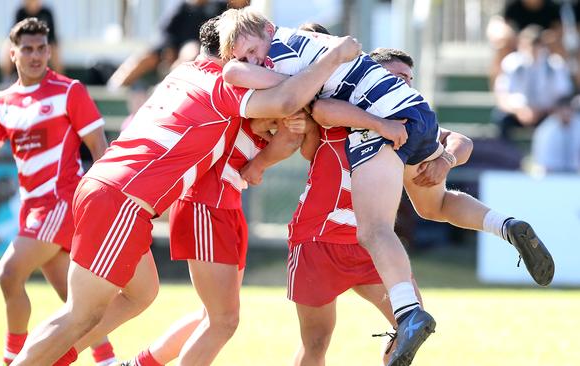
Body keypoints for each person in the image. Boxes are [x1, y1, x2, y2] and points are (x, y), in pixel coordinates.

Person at [7, 16, 362, 365]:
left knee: (141, 293)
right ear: (230, 53)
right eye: (248, 54)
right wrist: (333, 58)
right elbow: (284, 104)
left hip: (109, 188)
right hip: (124, 199)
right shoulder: (226, 85)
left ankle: (59, 358)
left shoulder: (182, 73)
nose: (255, 61)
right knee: (80, 315)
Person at [217, 8, 555, 365]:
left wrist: (444, 160)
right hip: (320, 237)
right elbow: (303, 134)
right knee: (318, 339)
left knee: (406, 310)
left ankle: (489, 241)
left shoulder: (377, 109)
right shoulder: (333, 99)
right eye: (395, 77)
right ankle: (505, 225)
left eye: (407, 79)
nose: (403, 84)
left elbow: (461, 141)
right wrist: (377, 123)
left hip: (368, 241)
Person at [0, 18, 115, 366]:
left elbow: (98, 146)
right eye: (28, 49)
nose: (36, 56)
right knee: (75, 300)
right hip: (32, 208)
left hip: (63, 202)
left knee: (9, 272)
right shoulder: (3, 102)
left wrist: (105, 195)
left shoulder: (69, 90)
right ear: (13, 53)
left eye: (42, 48)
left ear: (50, 50)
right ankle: (106, 359)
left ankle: (13, 358)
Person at [107, 0, 250, 90]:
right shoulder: (182, 7)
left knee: (190, 51)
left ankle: (167, 88)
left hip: (199, 52)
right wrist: (167, 49)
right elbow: (163, 34)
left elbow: (240, 6)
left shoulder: (218, 8)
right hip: (172, 50)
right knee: (146, 56)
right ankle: (113, 87)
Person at [493, 25, 574, 141]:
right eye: (528, 46)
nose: (532, 50)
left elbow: (564, 96)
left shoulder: (555, 65)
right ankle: (506, 156)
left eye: (536, 46)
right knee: (500, 118)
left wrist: (543, 110)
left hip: (546, 113)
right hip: (518, 113)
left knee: (561, 120)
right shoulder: (511, 63)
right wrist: (519, 111)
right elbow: (502, 96)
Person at [1, 0, 63, 85]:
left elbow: (52, 39)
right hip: (24, 47)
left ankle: (58, 80)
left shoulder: (47, 13)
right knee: (8, 45)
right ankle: (7, 79)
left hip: (43, 48)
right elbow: (13, 36)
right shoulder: (20, 12)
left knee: (54, 48)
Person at [531, 94, 580, 172]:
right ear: (556, 111)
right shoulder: (545, 131)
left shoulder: (578, 125)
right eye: (563, 110)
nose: (566, 113)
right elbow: (542, 161)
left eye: (568, 110)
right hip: (553, 174)